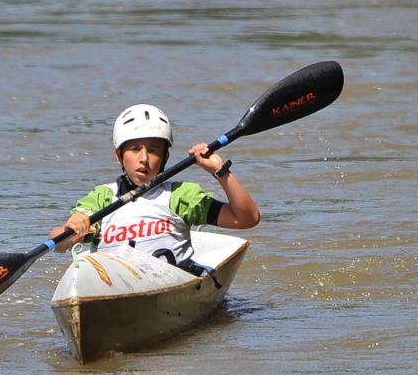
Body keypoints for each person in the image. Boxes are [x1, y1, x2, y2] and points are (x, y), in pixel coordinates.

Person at [49, 104, 260, 276]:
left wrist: (219, 170)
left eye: (153, 150)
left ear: (165, 157)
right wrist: (72, 229)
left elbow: (247, 219)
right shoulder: (102, 197)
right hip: (115, 285)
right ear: (119, 156)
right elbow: (59, 243)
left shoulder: (181, 196)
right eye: (134, 149)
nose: (144, 158)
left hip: (170, 283)